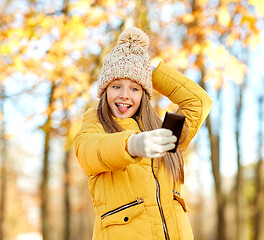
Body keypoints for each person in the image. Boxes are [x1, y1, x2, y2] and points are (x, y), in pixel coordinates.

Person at [74, 27, 212, 240]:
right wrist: (132, 145)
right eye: (116, 86)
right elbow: (90, 149)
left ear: (144, 94)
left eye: (135, 88)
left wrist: (152, 71)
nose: (125, 96)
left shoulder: (162, 134)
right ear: (105, 90)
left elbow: (198, 102)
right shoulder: (96, 123)